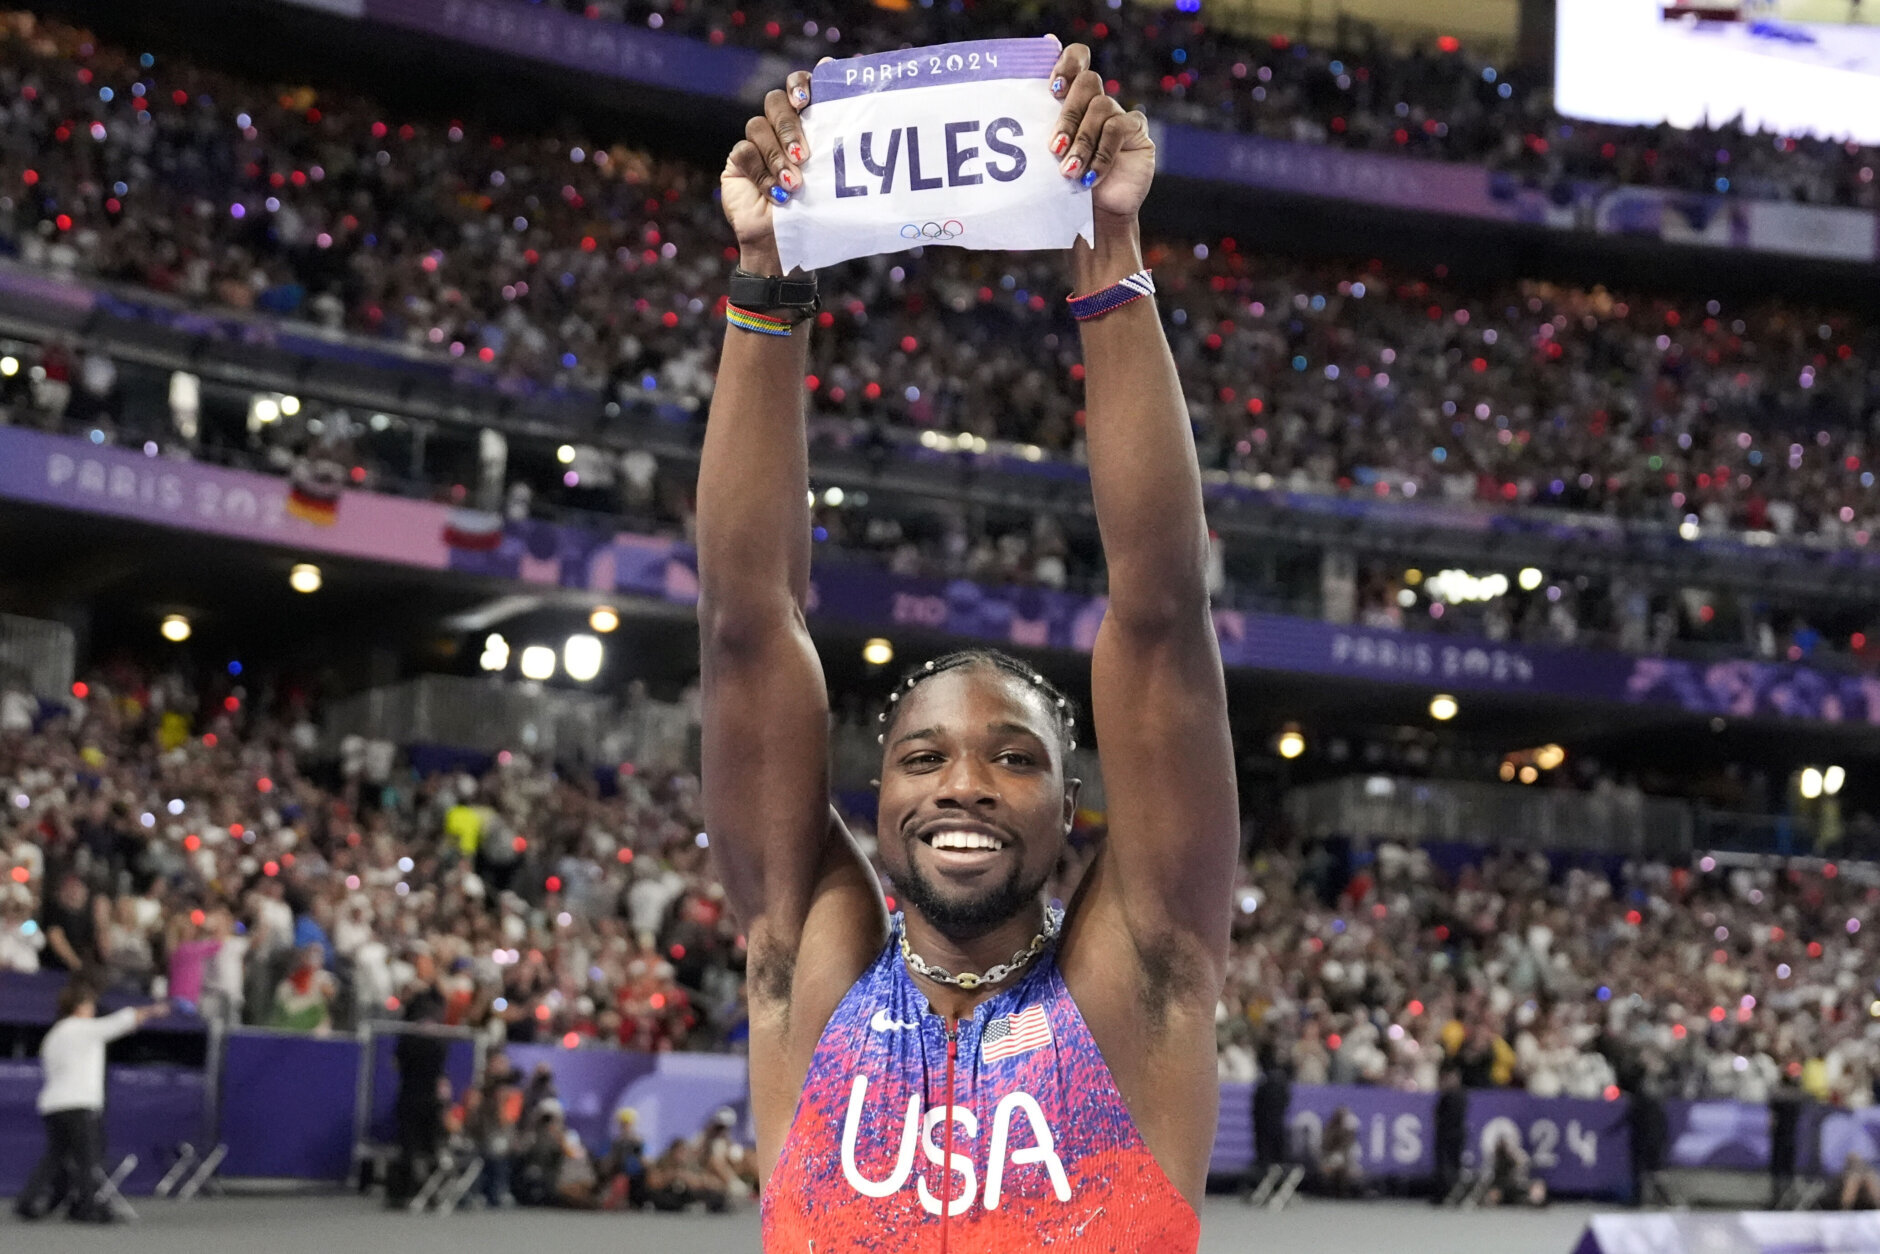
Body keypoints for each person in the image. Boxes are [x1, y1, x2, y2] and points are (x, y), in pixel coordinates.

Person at [700, 41, 1237, 1251]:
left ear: (1070, 806)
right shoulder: (809, 968)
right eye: (924, 755)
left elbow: (1155, 612)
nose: (963, 785)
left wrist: (1108, 258)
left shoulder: (1138, 975)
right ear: (876, 793)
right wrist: (764, 281)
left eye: (1014, 758)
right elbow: (747, 624)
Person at [14, 983, 169, 1222]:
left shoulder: (54, 1035)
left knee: (55, 1156)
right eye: (89, 1005)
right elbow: (119, 1022)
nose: (93, 1009)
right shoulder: (83, 1029)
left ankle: (28, 1201)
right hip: (79, 1104)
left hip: (53, 1105)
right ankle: (87, 1207)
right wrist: (152, 1011)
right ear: (79, 1007)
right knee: (88, 1159)